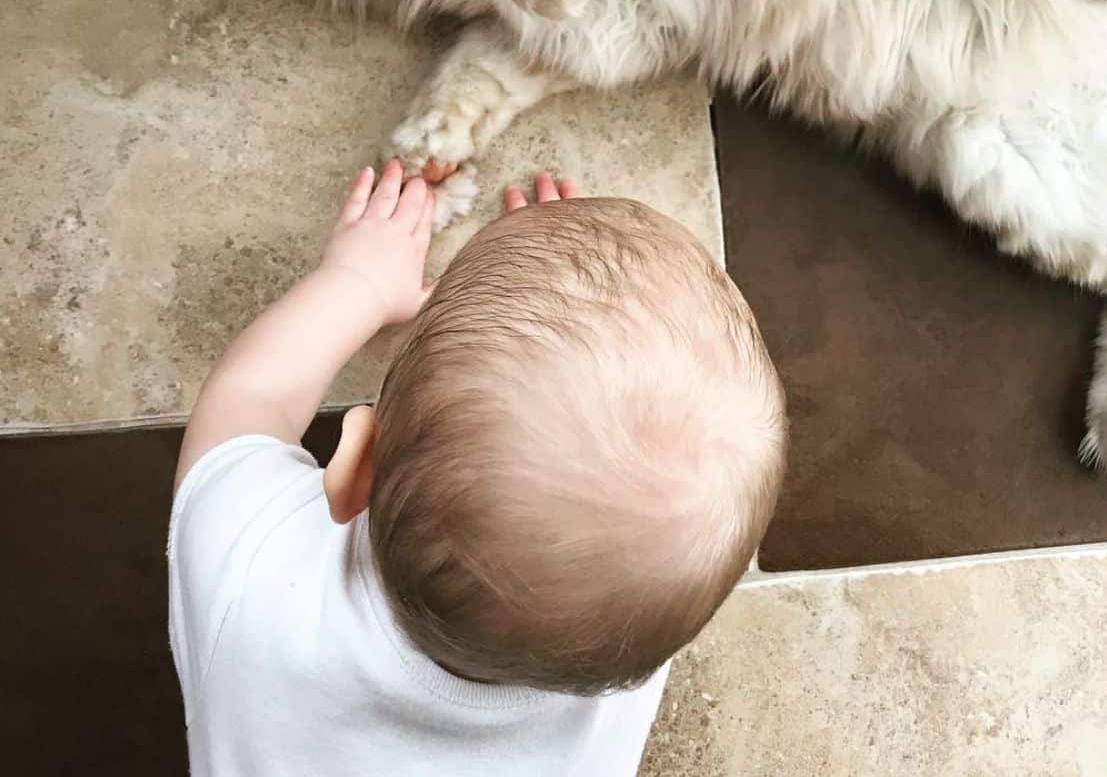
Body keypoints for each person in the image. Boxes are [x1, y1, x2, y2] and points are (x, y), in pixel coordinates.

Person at [169, 162, 787, 775]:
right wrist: (554, 304)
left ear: (357, 466)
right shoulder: (626, 646)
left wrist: (356, 280)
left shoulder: (251, 578)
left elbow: (252, 397)